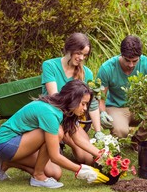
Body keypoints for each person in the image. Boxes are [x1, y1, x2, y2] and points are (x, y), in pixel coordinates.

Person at [0, 80, 108, 188]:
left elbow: (78, 139)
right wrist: (81, 170)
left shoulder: (65, 110)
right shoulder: (50, 113)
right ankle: (37, 177)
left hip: (22, 141)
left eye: (86, 104)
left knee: (55, 174)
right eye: (83, 104)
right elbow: (55, 157)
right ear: (72, 99)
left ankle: (7, 162)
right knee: (58, 133)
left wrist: (102, 156)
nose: (85, 108)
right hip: (6, 143)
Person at [41, 32, 104, 165]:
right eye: (78, 53)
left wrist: (98, 132)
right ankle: (56, 145)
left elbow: (91, 104)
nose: (81, 58)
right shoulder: (50, 66)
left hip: (71, 120)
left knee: (86, 158)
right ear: (69, 49)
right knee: (67, 155)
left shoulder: (87, 73)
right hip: (53, 117)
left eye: (85, 55)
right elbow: (55, 97)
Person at [96, 35, 147, 151]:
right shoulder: (107, 68)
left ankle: (137, 140)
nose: (131, 65)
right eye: (127, 60)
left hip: (139, 107)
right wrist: (102, 113)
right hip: (116, 107)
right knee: (120, 131)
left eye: (135, 61)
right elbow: (100, 97)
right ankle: (117, 139)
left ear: (140, 57)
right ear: (121, 55)